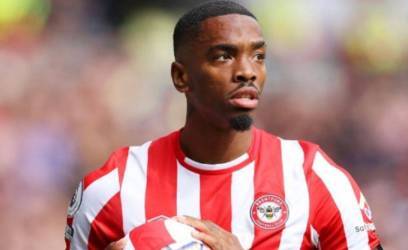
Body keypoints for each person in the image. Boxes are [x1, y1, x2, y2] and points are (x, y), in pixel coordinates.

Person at [64, 1, 382, 249]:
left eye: (258, 56)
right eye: (223, 56)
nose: (247, 71)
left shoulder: (315, 179)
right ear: (181, 76)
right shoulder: (111, 189)